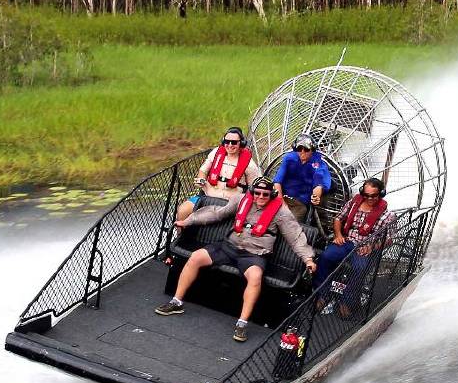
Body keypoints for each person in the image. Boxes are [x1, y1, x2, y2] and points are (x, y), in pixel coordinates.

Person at [156, 178, 318, 342]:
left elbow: (296, 237)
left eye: (265, 194)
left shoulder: (281, 212)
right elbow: (216, 213)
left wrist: (308, 260)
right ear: (252, 192)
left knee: (255, 277)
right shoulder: (241, 200)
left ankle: (241, 324)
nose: (261, 197)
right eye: (257, 193)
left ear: (272, 195)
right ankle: (176, 302)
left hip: (254, 254)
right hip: (228, 246)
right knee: (195, 257)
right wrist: (188, 220)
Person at [313, 177, 395, 318]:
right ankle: (323, 294)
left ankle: (347, 301)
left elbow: (389, 239)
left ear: (380, 194)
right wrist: (338, 235)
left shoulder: (388, 216)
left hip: (365, 247)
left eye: (373, 196)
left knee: (360, 269)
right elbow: (338, 218)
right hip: (347, 241)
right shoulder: (353, 203)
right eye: (366, 195)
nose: (369, 198)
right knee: (325, 257)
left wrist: (372, 247)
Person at [177, 127, 262, 221]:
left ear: (241, 143)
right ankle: (181, 235)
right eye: (227, 141)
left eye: (234, 142)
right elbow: (203, 171)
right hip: (207, 196)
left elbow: (253, 187)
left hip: (230, 202)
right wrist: (201, 180)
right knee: (182, 210)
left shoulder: (249, 164)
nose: (230, 145)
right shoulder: (215, 153)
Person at [272, 133, 331, 223]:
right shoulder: (289, 158)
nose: (302, 152)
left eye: (306, 149)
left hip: (299, 203)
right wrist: (282, 203)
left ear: (312, 150)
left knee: (290, 223)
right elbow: (277, 182)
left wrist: (315, 197)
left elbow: (318, 183)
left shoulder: (318, 163)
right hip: (281, 197)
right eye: (299, 149)